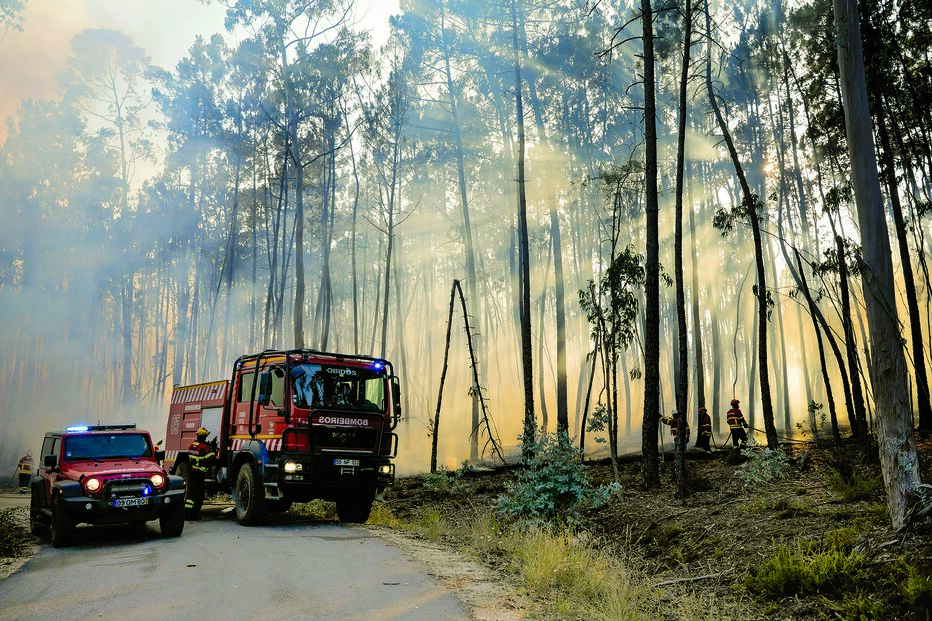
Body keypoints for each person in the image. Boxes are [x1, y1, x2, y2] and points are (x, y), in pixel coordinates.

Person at [185, 427, 215, 518]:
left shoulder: (191, 446)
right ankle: (193, 514)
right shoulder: (204, 448)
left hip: (192, 472)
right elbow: (210, 458)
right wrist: (212, 450)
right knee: (199, 495)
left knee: (191, 494)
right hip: (200, 473)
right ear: (204, 437)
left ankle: (187, 513)